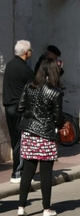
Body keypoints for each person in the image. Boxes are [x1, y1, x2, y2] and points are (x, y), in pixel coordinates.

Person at [17, 58, 64, 216]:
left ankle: (21, 206)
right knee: (46, 172)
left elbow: (20, 107)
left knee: (27, 171)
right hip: (46, 133)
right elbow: (58, 118)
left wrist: (30, 115)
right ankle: (46, 208)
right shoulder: (55, 92)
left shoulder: (29, 86)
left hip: (29, 132)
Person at [2, 40, 35, 184]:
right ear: (25, 52)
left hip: (9, 107)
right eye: (30, 50)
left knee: (16, 140)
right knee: (21, 141)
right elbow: (34, 86)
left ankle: (18, 171)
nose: (31, 53)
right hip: (19, 108)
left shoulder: (9, 64)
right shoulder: (24, 68)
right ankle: (18, 172)